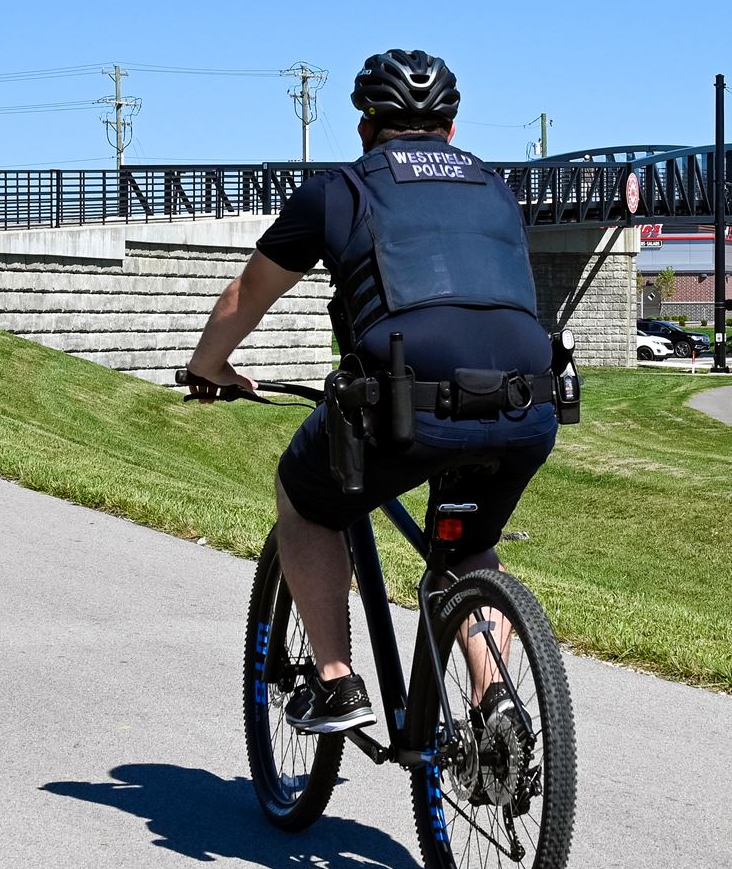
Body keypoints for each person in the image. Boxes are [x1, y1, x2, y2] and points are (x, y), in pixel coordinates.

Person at [182, 49, 561, 735]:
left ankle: (334, 682)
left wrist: (211, 365)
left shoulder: (340, 191)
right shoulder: (497, 190)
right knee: (468, 545)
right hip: (527, 399)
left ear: (365, 128)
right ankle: (494, 703)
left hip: (406, 403)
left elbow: (249, 291)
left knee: (306, 499)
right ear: (451, 130)